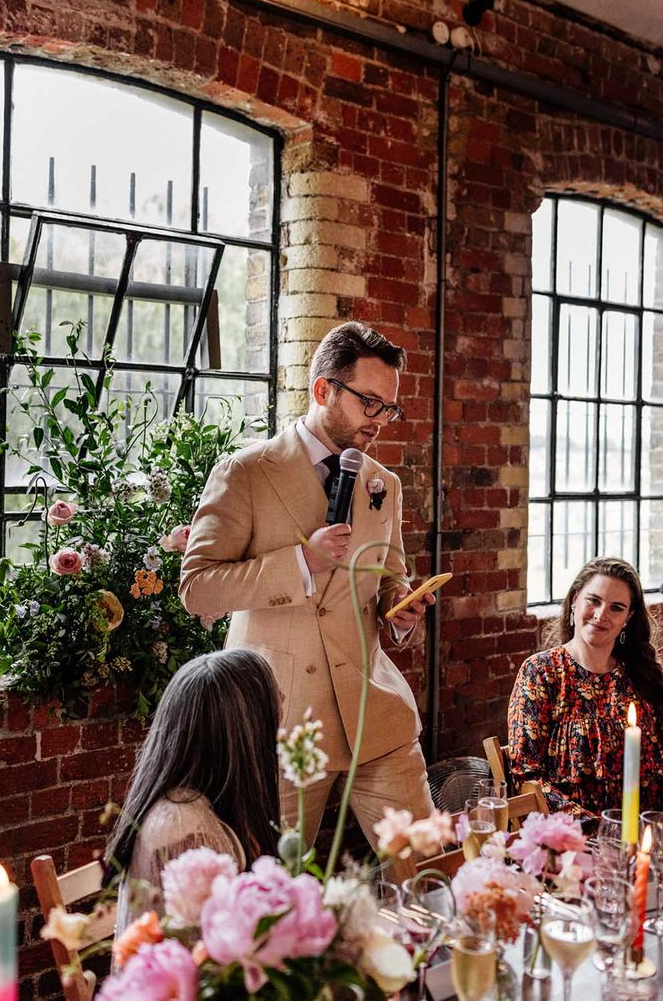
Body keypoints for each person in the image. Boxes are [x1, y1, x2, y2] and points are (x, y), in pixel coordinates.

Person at [180, 321, 435, 873]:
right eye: (370, 402)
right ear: (323, 390)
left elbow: (389, 573)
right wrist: (300, 563)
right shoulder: (246, 472)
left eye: (388, 408)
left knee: (432, 872)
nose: (380, 421)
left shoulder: (382, 483)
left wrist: (401, 610)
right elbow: (197, 589)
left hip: (375, 713)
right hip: (282, 724)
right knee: (276, 893)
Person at [104, 649, 281, 932]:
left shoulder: (204, 805)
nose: (282, 708)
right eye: (272, 708)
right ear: (241, 734)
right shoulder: (187, 832)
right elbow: (214, 957)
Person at [508, 556, 663, 826]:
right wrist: (600, 829)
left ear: (629, 617)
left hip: (651, 836)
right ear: (575, 600)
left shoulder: (644, 679)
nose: (601, 614)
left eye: (616, 607)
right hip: (572, 843)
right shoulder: (541, 672)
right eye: (594, 600)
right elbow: (526, 779)